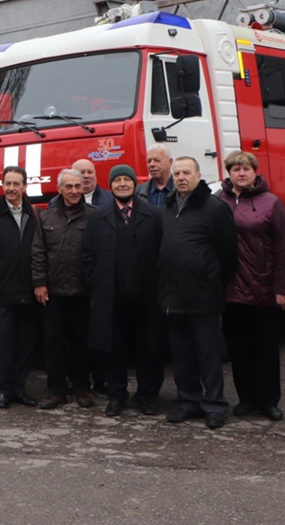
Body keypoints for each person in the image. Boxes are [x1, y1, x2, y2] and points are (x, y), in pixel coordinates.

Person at [160, 157, 237, 429]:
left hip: (203, 296)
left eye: (186, 172)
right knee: (181, 354)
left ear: (198, 175)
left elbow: (228, 254)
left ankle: (215, 405)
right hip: (173, 296)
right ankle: (189, 402)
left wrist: (211, 279)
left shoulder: (214, 208)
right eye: (177, 173)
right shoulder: (168, 207)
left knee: (208, 354)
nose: (181, 177)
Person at [217, 150, 285, 421]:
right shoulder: (219, 202)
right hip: (230, 290)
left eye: (246, 168)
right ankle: (246, 398)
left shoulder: (270, 203)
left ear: (254, 172)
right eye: (236, 169)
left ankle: (269, 401)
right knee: (238, 349)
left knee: (266, 349)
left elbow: (284, 248)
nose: (241, 173)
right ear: (229, 173)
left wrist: (283, 288)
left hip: (262, 286)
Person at [84, 164, 165, 417]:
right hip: (111, 297)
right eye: (117, 180)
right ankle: (116, 395)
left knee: (148, 348)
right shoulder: (97, 217)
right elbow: (87, 255)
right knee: (114, 349)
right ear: (111, 185)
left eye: (126, 180)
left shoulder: (154, 215)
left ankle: (147, 395)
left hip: (146, 297)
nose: (122, 184)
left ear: (134, 184)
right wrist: (96, 281)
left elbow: (163, 253)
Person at [0, 166, 40, 409]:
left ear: (24, 187)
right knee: (3, 343)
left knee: (25, 344)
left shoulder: (34, 214)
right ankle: (2, 389)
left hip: (28, 292)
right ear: (2, 186)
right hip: (1, 293)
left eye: (17, 183)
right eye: (8, 183)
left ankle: (19, 388)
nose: (12, 188)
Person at [33, 168, 94, 409]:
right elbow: (37, 252)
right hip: (53, 292)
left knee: (82, 342)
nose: (74, 191)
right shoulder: (46, 217)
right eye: (69, 186)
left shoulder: (94, 216)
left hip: (83, 291)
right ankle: (56, 390)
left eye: (78, 186)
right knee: (53, 342)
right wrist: (39, 283)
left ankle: (82, 388)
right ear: (59, 189)